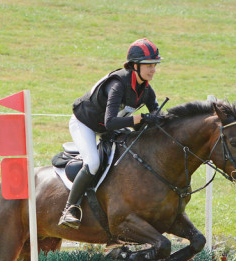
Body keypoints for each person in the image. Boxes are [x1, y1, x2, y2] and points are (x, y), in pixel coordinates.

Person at [58, 38, 164, 229]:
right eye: (148, 65)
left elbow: (158, 116)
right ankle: (70, 208)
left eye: (154, 65)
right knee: (93, 162)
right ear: (135, 65)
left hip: (109, 128)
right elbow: (111, 121)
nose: (153, 69)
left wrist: (159, 119)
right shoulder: (118, 84)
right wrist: (139, 119)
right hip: (85, 124)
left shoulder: (147, 91)